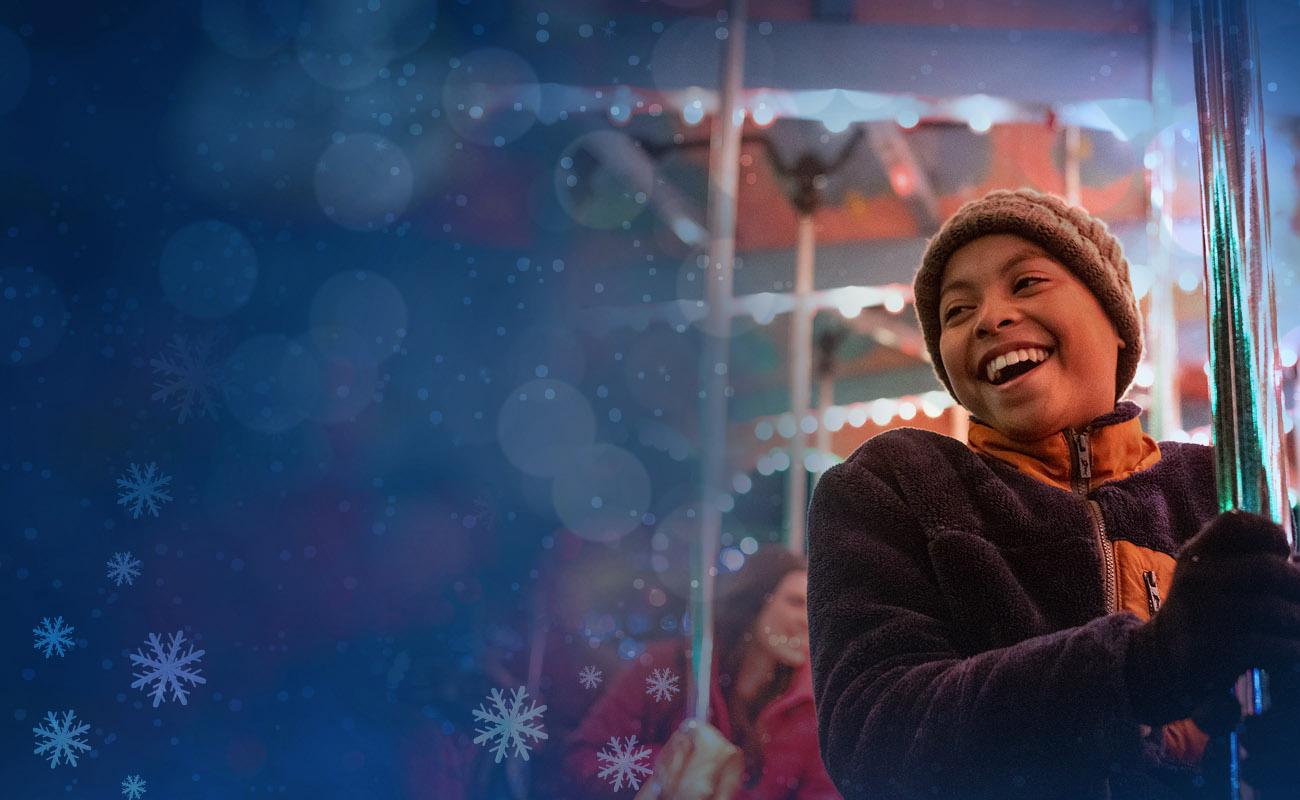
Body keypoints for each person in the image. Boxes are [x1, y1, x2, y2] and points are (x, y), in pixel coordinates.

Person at [805, 188, 1300, 799]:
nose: (989, 317)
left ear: (1116, 323)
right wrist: (1135, 670)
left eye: (1027, 282)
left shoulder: (1219, 488)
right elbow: (875, 740)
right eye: (957, 312)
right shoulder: (897, 484)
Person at [564, 546, 841, 800]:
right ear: (755, 602)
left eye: (815, 607)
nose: (808, 620)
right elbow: (579, 764)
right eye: (795, 602)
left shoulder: (815, 706)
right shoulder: (668, 667)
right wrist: (667, 765)